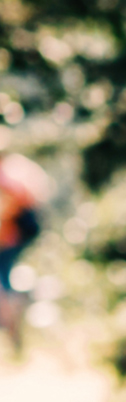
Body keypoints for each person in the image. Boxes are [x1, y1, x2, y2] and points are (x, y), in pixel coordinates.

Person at [0, 153, 48, 364]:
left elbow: (10, 208)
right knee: (5, 281)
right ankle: (13, 331)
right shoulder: (15, 167)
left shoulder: (7, 176)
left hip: (12, 236)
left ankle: (12, 328)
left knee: (3, 283)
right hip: (17, 234)